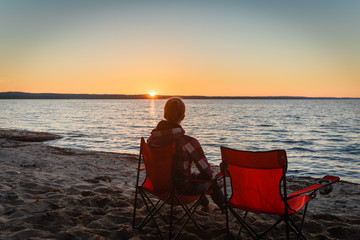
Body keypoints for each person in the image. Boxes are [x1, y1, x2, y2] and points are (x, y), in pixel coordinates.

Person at [147, 97, 224, 212]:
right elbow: (207, 172)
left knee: (191, 177)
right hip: (180, 191)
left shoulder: (151, 140)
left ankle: (207, 206)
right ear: (183, 117)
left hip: (157, 187)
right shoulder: (188, 142)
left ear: (164, 114)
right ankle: (224, 208)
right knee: (211, 181)